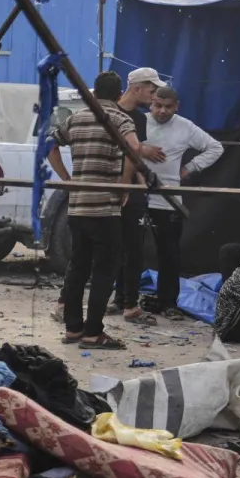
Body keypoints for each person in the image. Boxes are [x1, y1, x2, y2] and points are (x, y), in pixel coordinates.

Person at [48, 70, 162, 349]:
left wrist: (67, 180)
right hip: (104, 209)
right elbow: (134, 150)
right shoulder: (120, 119)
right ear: (119, 91)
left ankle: (73, 329)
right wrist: (124, 186)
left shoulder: (76, 119)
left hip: (77, 207)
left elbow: (49, 146)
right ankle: (93, 333)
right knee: (104, 270)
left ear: (94, 93)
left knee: (78, 267)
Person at [139, 84, 224, 321]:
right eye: (158, 105)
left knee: (170, 253)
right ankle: (123, 300)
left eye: (168, 107)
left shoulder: (185, 126)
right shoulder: (138, 122)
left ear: (176, 107)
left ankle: (169, 302)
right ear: (150, 103)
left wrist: (189, 168)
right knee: (129, 249)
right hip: (136, 193)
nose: (162, 111)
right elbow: (122, 146)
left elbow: (215, 147)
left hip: (168, 199)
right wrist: (141, 149)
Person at [110, 67, 171, 325]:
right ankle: (115, 298)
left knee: (133, 248)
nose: (154, 95)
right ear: (136, 88)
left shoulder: (140, 119)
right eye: (151, 89)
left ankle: (129, 302)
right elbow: (132, 151)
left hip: (131, 190)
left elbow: (134, 158)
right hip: (109, 186)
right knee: (109, 248)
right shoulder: (109, 113)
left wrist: (139, 186)